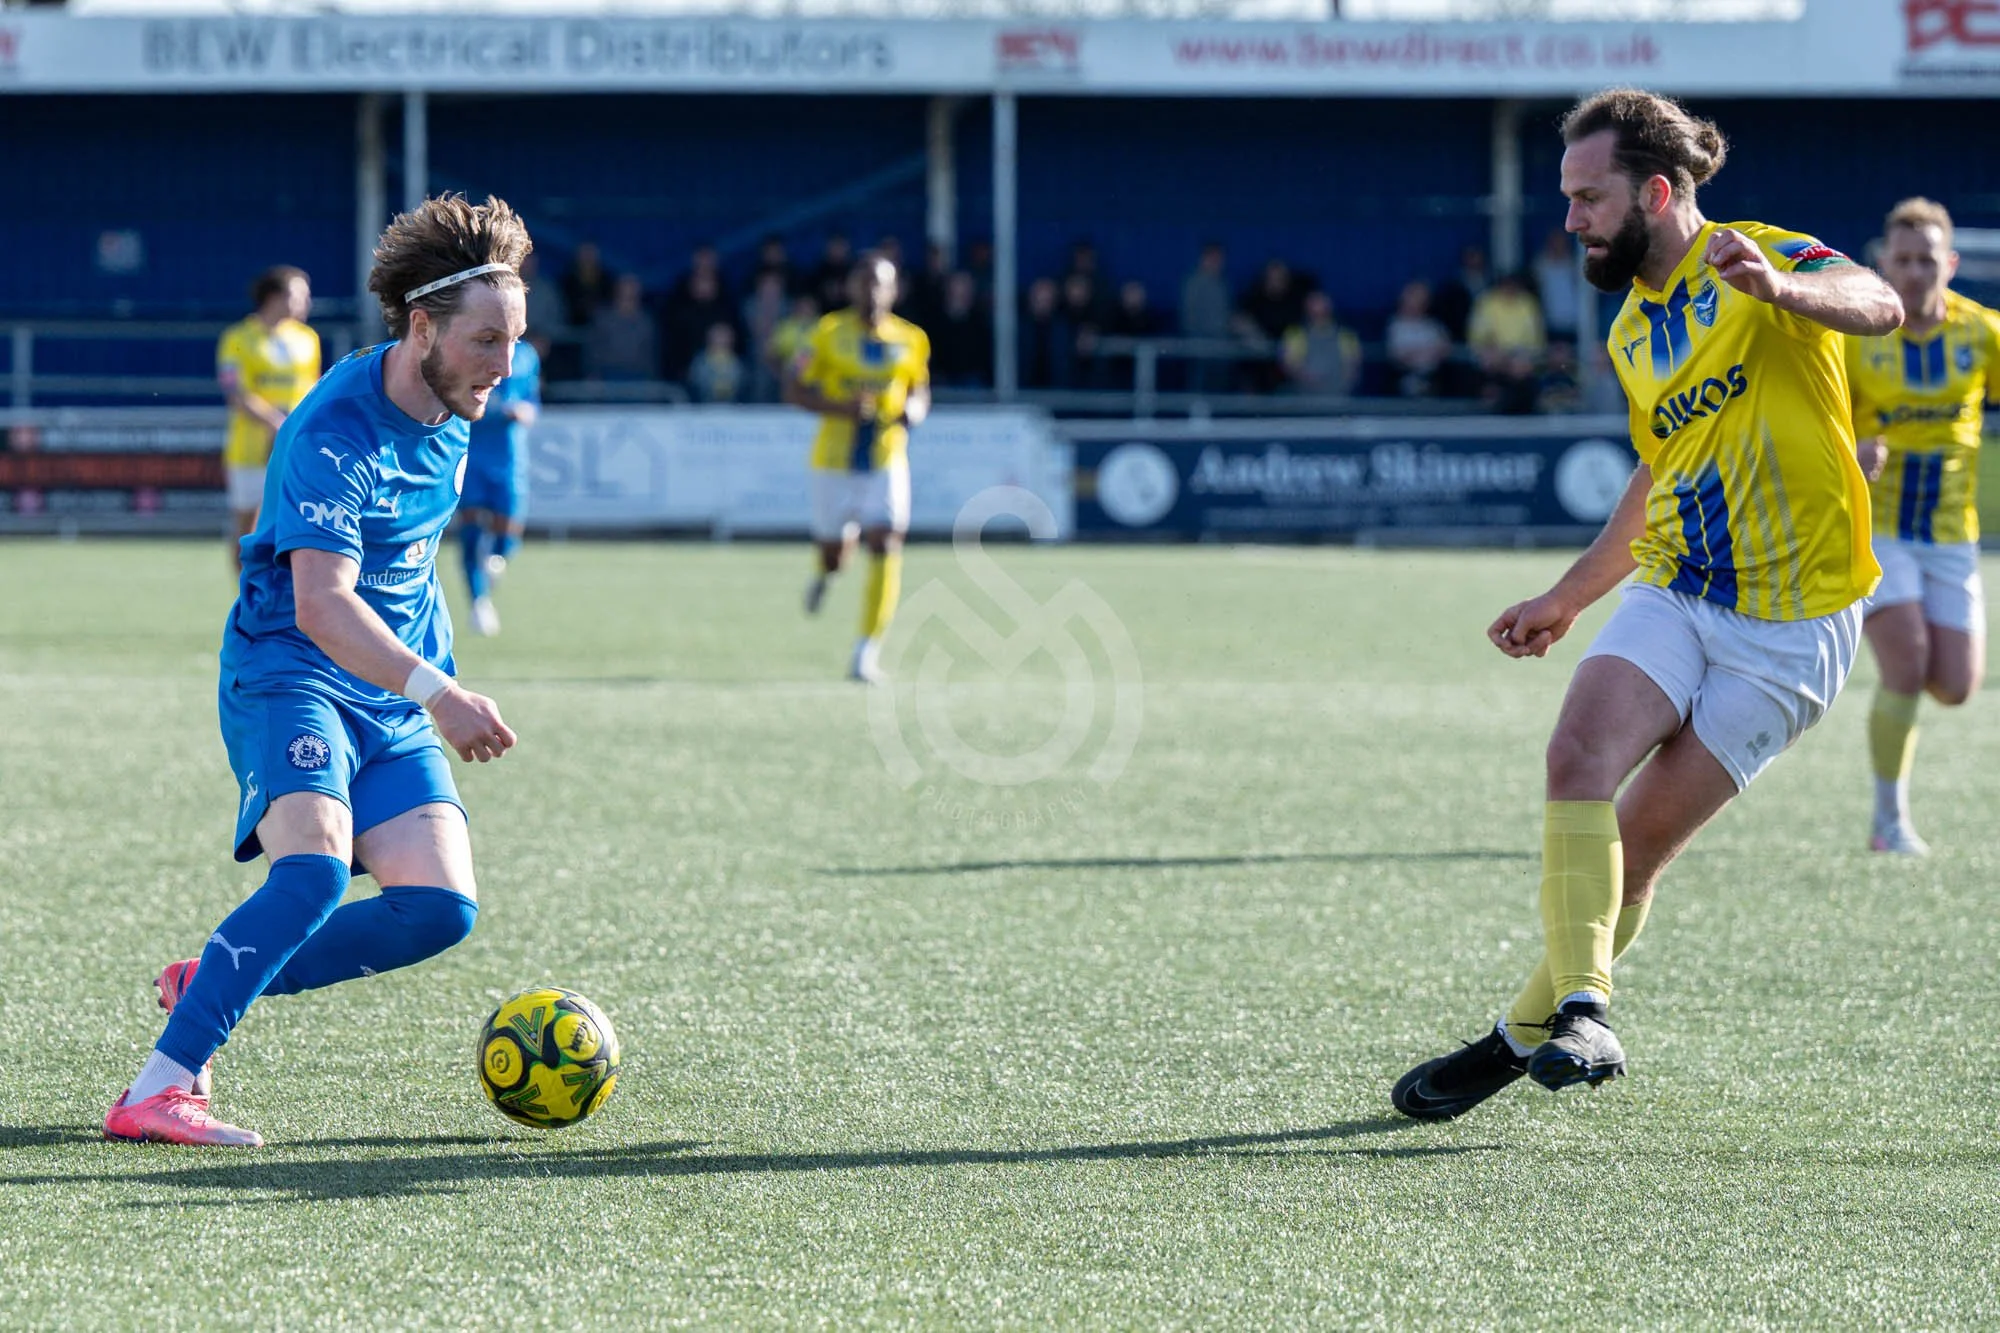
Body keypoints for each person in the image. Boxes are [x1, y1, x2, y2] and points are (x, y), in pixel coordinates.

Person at [1392, 89, 1901, 1122]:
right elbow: (1658, 474)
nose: (1570, 219)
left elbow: (1878, 300)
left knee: (1630, 851)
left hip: (1794, 631)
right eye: (1568, 196)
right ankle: (1586, 1007)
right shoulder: (1632, 330)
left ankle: (1514, 1037)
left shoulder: (1756, 255)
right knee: (1575, 754)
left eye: (1588, 197)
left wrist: (1786, 292)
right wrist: (1567, 596)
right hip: (1680, 588)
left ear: (1657, 192)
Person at [105, 195, 531, 1147]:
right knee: (313, 871)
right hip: (292, 669)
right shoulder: (337, 431)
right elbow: (323, 605)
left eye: (514, 340)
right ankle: (156, 1091)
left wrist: (426, 674)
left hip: (388, 697)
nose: (503, 365)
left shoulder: (456, 406)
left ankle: (207, 981)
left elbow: (407, 560)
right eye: (486, 340)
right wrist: (441, 692)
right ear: (422, 328)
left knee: (438, 909)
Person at [1845, 197, 2000, 855]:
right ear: (1883, 262)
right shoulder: (1857, 338)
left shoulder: (1983, 333)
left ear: (1951, 264)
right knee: (1906, 667)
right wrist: (1852, 452)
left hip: (1952, 533)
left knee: (1956, 686)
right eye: (1902, 259)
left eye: (1926, 260)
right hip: (1879, 528)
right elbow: (1820, 424)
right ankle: (1889, 823)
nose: (1913, 272)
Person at [784, 252, 931, 684]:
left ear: (894, 290)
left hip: (887, 457)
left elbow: (920, 390)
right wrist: (841, 408)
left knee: (886, 542)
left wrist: (914, 411)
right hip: (833, 461)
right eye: (864, 282)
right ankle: (825, 573)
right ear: (850, 287)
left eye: (879, 283)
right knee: (835, 554)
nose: (871, 291)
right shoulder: (826, 333)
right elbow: (793, 388)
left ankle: (866, 651)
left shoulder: (912, 338)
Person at [216, 267, 319, 567]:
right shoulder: (238, 338)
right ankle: (245, 592)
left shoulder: (307, 338)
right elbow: (235, 393)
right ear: (275, 297)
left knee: (297, 524)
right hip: (251, 449)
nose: (307, 302)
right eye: (300, 295)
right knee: (246, 529)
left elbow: (314, 389)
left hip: (296, 448)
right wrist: (276, 423)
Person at [458, 332, 542, 636]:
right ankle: (478, 602)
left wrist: (527, 412)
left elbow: (531, 398)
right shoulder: (470, 347)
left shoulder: (527, 355)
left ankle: (496, 561)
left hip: (509, 456)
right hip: (473, 450)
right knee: (470, 528)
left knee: (508, 533)